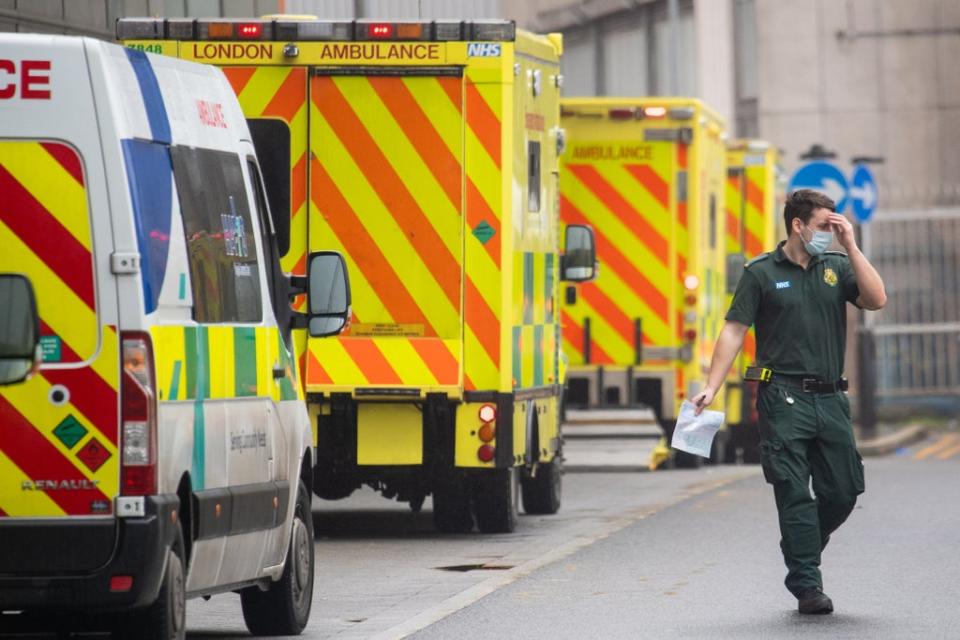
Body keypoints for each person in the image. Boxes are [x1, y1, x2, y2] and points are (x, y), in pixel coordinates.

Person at [691, 189, 886, 614]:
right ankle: (808, 586)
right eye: (824, 226)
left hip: (831, 397)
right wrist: (713, 385)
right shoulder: (761, 272)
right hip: (782, 398)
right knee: (794, 492)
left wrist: (851, 245)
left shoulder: (837, 265)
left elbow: (876, 299)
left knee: (844, 490)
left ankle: (800, 546)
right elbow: (734, 329)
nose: (829, 234)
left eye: (835, 226)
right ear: (798, 225)